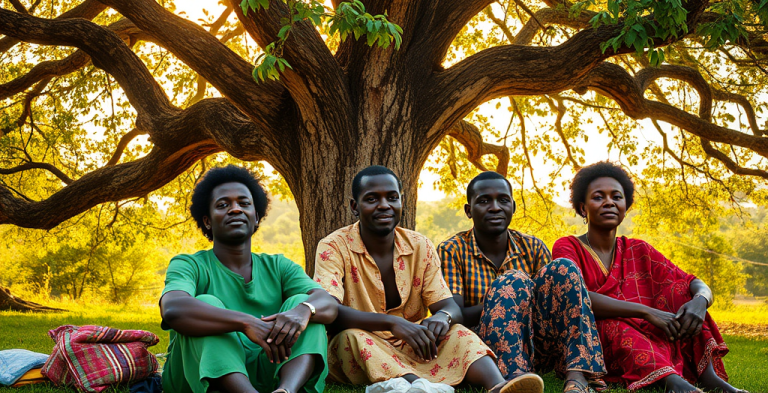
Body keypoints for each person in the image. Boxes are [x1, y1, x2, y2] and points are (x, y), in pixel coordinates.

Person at [314, 165, 542, 393]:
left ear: (401, 202)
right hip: (361, 342)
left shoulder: (419, 245)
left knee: (459, 333)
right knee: (352, 338)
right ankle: (419, 386)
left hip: (415, 343)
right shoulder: (333, 246)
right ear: (355, 207)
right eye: (372, 199)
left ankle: (498, 386)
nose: (384, 205)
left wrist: (443, 317)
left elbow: (450, 307)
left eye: (392, 198)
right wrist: (392, 323)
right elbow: (329, 311)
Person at [552, 162, 748, 393]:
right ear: (583, 208)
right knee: (616, 326)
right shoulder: (567, 246)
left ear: (625, 207)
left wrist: (701, 300)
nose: (609, 202)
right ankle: (673, 383)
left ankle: (709, 377)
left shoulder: (638, 249)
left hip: (643, 329)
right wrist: (646, 312)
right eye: (598, 197)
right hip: (593, 337)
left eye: (617, 197)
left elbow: (691, 282)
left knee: (684, 295)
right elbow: (575, 297)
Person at [159, 165, 338, 393]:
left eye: (244, 203)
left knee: (305, 306)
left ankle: (286, 390)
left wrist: (303, 312)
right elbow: (173, 308)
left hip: (267, 368)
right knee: (206, 304)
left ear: (256, 217)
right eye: (223, 205)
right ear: (207, 221)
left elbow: (329, 304)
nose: (235, 209)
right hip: (197, 376)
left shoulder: (279, 266)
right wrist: (246, 323)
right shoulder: (189, 264)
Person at [438, 171, 606, 393]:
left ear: (513, 207)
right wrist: (505, 299)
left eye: (503, 200)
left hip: (536, 344)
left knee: (563, 266)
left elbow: (551, 301)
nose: (495, 207)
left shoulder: (533, 246)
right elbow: (456, 313)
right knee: (513, 282)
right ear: (469, 210)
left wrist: (522, 299)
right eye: (484, 201)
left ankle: (578, 376)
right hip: (484, 350)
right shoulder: (452, 250)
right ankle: (514, 377)